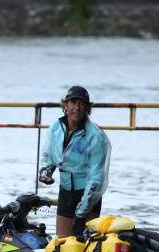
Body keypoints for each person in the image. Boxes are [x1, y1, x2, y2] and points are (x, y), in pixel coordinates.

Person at [39, 86, 111, 237]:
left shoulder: (96, 137)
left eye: (81, 103)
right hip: (66, 193)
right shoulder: (55, 126)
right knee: (63, 245)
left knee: (84, 247)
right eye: (73, 102)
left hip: (88, 195)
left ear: (87, 108)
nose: (76, 108)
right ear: (65, 105)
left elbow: (96, 179)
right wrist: (46, 170)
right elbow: (48, 153)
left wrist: (82, 212)